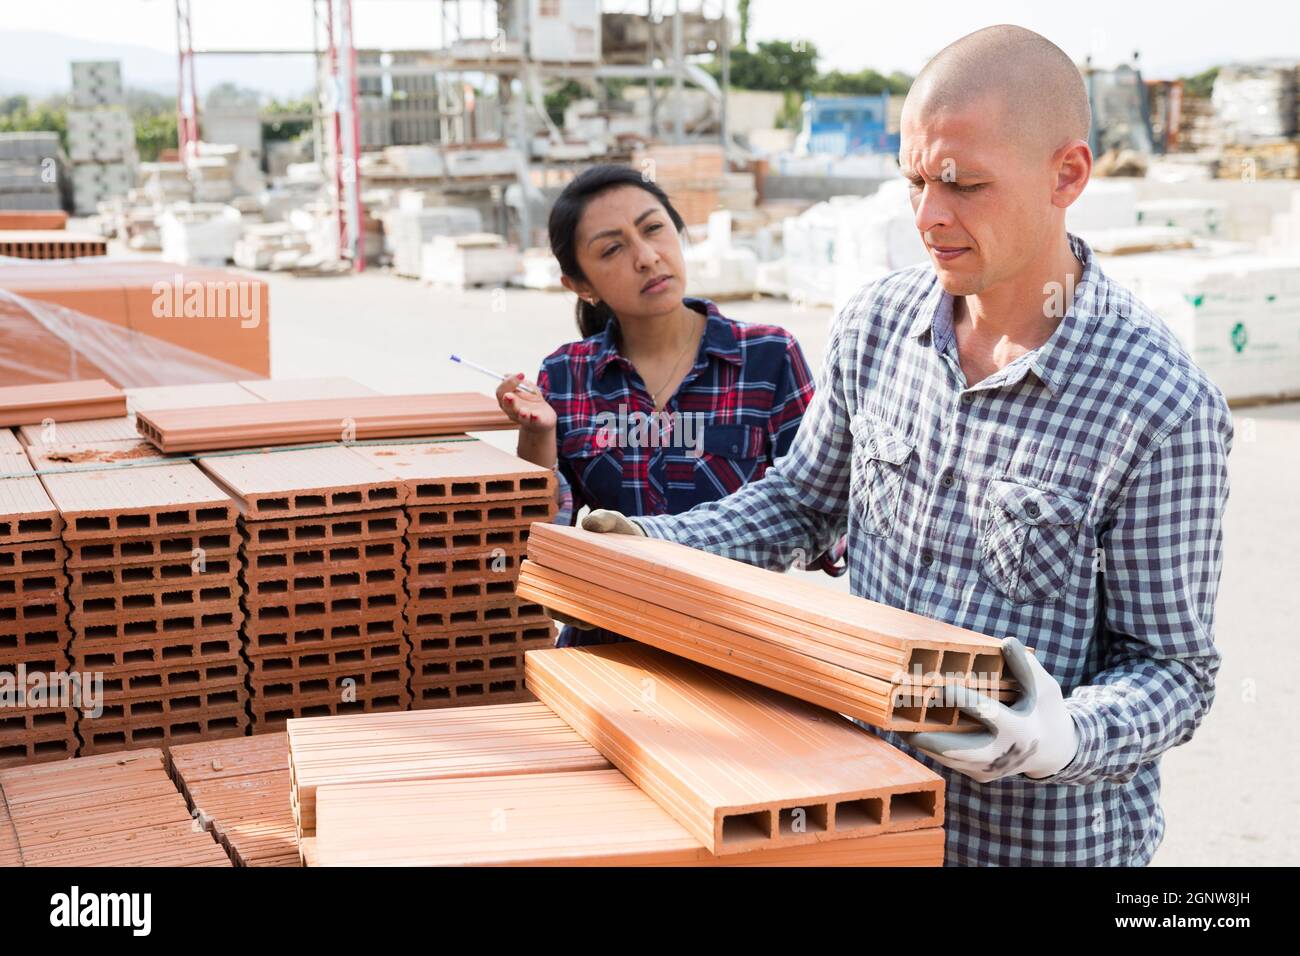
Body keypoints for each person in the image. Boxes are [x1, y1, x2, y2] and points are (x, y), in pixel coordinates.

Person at [572, 25, 1233, 867]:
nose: (928, 216)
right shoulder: (878, 324)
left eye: (961, 184)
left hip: (1031, 848)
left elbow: (1172, 670)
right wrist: (652, 543)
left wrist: (1060, 735)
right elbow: (799, 504)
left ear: (1067, 174)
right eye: (915, 179)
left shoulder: (1158, 405)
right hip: (869, 823)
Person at [496, 164, 844, 647]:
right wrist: (536, 435)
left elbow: (817, 521)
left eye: (653, 229)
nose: (646, 257)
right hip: (610, 642)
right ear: (580, 284)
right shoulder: (566, 374)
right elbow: (542, 536)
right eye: (612, 248)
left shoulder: (767, 357)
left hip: (742, 644)